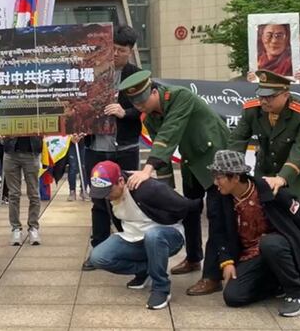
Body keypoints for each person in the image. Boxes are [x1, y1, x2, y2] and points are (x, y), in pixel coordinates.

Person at [119, 70, 229, 295]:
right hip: (192, 160)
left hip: (216, 158)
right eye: (134, 103)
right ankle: (193, 258)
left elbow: (169, 134)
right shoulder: (149, 116)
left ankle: (212, 277)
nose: (139, 106)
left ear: (153, 90)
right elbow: (164, 154)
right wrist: (165, 193)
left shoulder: (180, 96)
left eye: (142, 101)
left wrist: (146, 170)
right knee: (189, 209)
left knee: (217, 216)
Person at [228, 69, 300, 285]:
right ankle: (274, 274)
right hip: (265, 177)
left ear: (286, 94)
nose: (263, 100)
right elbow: (237, 141)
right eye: (261, 95)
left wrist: (283, 177)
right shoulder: (252, 110)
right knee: (265, 226)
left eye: (269, 97)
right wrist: (231, 170)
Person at [211, 150, 300, 317]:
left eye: (219, 178)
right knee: (233, 296)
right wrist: (227, 261)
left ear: (235, 177)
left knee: (270, 243)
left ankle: (298, 293)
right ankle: (278, 283)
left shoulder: (270, 191)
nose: (216, 182)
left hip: (280, 248)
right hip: (251, 256)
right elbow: (218, 232)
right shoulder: (221, 198)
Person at [88, 161, 201, 310]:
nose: (106, 197)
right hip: (133, 237)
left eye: (108, 192)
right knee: (98, 257)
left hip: (166, 235)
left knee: (153, 235)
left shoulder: (147, 189)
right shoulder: (107, 196)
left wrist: (193, 252)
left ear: (121, 182)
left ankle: (161, 287)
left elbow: (189, 206)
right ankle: (145, 270)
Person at [80, 25, 143, 270]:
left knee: (125, 197)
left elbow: (146, 107)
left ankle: (129, 246)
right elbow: (80, 105)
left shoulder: (136, 76)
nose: (116, 54)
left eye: (121, 50)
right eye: (112, 49)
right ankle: (98, 249)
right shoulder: (93, 73)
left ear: (130, 51)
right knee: (99, 199)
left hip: (124, 146)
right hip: (96, 146)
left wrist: (124, 112)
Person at [3, 136, 43, 246]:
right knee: (13, 194)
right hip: (11, 152)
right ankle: (16, 229)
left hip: (31, 152)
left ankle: (33, 227)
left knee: (34, 194)